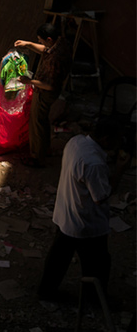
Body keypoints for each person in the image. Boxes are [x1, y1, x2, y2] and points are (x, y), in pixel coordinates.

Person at [37, 118, 128, 303]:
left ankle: (46, 291)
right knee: (98, 264)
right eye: (116, 139)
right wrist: (119, 170)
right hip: (86, 223)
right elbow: (101, 197)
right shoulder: (94, 164)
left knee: (58, 258)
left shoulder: (75, 142)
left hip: (66, 214)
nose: (119, 143)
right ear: (105, 138)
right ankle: (94, 299)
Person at [14, 23, 72, 167]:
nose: (39, 42)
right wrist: (28, 44)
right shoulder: (60, 43)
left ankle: (36, 157)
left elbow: (50, 85)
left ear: (49, 39)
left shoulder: (55, 59)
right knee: (42, 121)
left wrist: (30, 81)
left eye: (41, 40)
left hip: (45, 93)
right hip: (46, 90)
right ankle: (44, 149)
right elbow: (45, 50)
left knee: (37, 122)